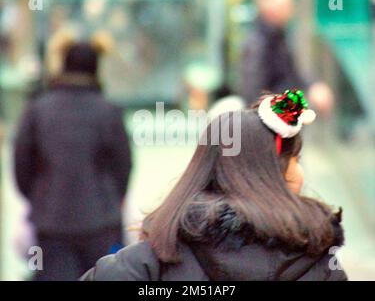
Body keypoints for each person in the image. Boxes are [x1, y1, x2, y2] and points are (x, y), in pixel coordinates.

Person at [81, 89, 347, 281]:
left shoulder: (143, 266)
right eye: (295, 158)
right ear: (277, 173)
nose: (299, 171)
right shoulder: (320, 268)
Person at [14, 31, 132, 281]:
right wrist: (110, 199)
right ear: (96, 69)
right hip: (102, 223)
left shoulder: (38, 110)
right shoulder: (109, 112)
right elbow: (123, 167)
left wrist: (39, 197)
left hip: (51, 223)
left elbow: (21, 165)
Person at [241, 0, 334, 116]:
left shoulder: (280, 36)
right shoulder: (258, 44)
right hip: (271, 122)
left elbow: (294, 72)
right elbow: (254, 94)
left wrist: (313, 85)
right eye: (285, 6)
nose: (291, 10)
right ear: (270, 9)